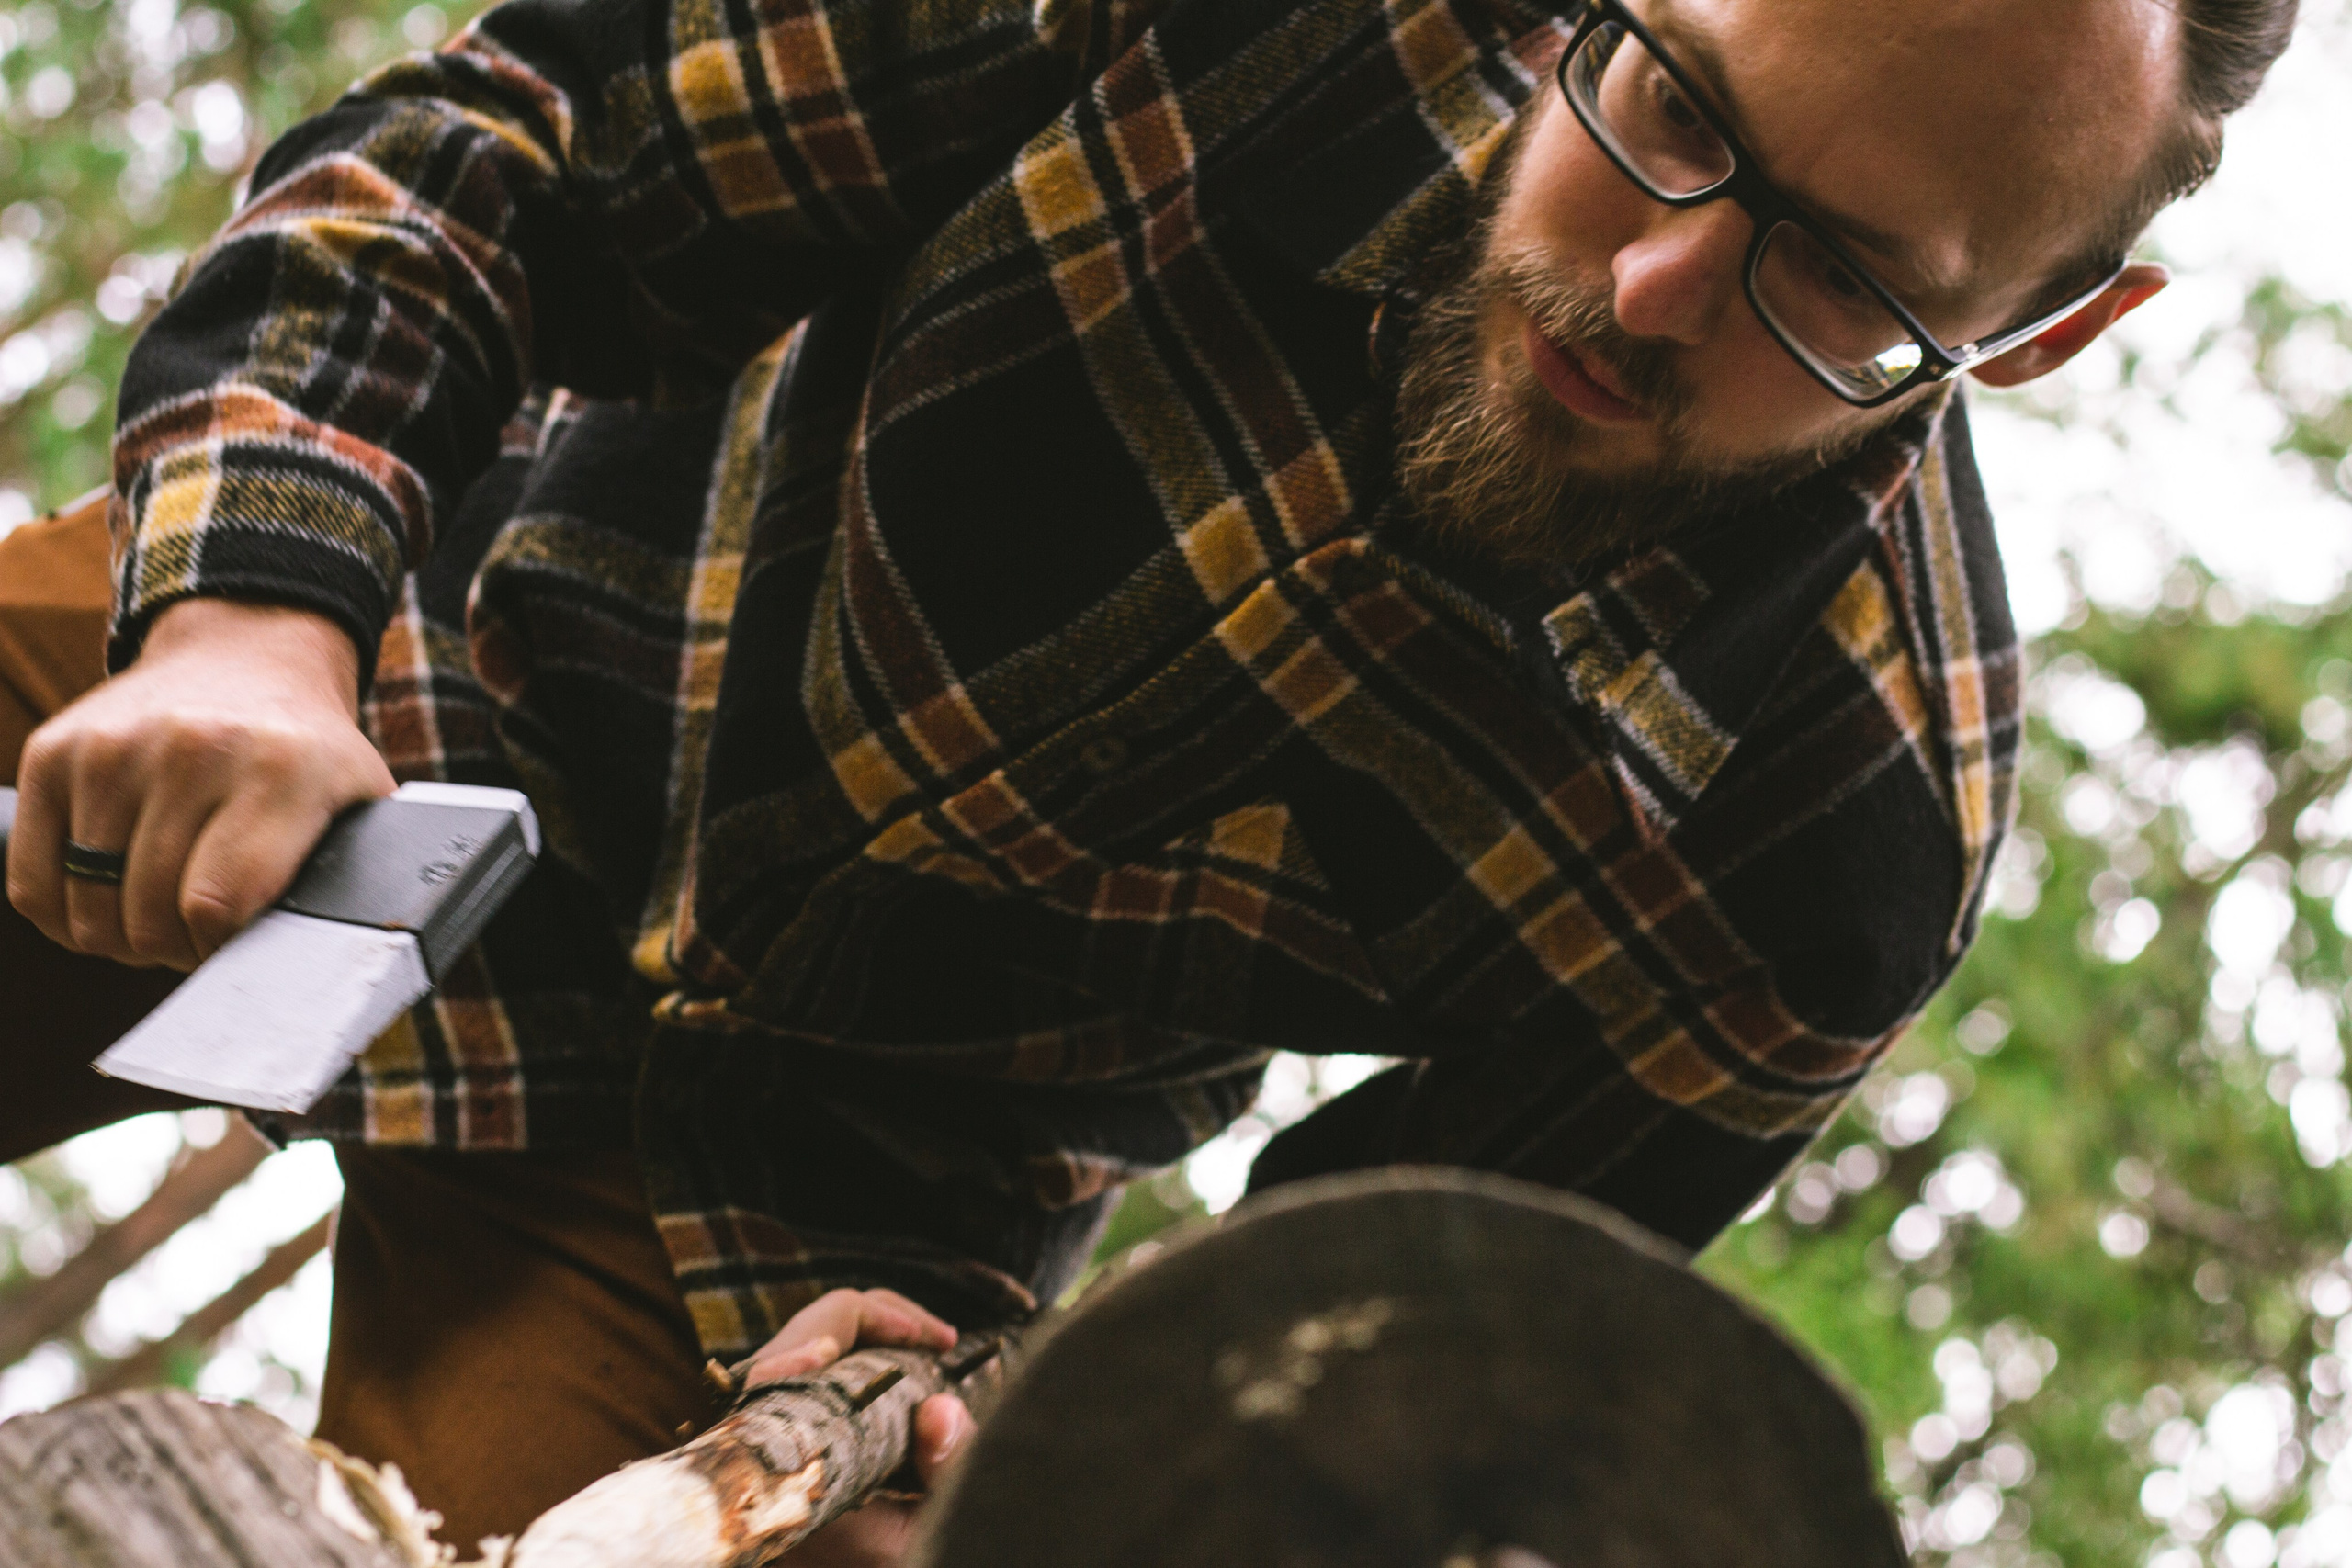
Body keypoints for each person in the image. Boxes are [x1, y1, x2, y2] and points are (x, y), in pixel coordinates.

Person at [0, 0, 2297, 1555]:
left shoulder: (1838, 851)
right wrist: (250, 614)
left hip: (792, 1222)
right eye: (1673, 107)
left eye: (1833, 283)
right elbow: (508, 149)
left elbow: (1329, 1329)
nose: (1655, 283)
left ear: (2045, 328)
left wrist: (994, 1416)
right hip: (396, 678)